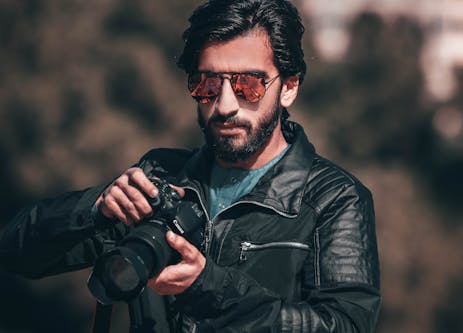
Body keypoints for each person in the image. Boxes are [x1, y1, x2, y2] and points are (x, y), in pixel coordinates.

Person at [0, 0, 381, 332]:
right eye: (207, 85)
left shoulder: (334, 200)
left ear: (290, 87)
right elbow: (16, 253)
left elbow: (344, 324)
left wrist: (208, 287)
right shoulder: (160, 177)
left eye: (248, 84)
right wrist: (94, 208)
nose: (226, 104)